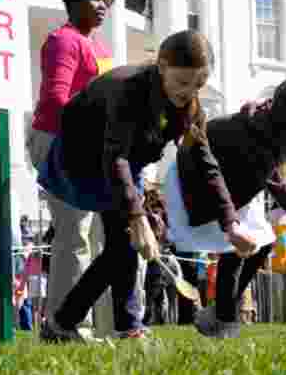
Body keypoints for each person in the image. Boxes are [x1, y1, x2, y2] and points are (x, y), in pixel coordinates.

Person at [37, 30, 211, 342]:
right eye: (183, 83)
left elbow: (204, 160)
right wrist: (136, 215)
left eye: (198, 84)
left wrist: (229, 220)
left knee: (122, 245)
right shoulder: (127, 90)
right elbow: (114, 156)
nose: (190, 92)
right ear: (161, 67)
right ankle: (121, 327)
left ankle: (72, 324)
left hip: (125, 161)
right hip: (86, 159)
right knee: (125, 240)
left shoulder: (187, 104)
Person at [163, 76, 286, 339]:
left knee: (262, 242)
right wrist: (230, 224)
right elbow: (270, 191)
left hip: (233, 183)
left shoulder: (270, 130)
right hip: (197, 181)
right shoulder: (255, 139)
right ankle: (224, 323)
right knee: (235, 250)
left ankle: (219, 313)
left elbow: (280, 191)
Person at [26, 0, 114, 339]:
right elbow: (56, 100)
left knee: (100, 238)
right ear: (73, 2)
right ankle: (65, 325)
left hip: (92, 145)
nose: (103, 6)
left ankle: (107, 325)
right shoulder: (63, 41)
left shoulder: (100, 47)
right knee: (74, 234)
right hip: (59, 141)